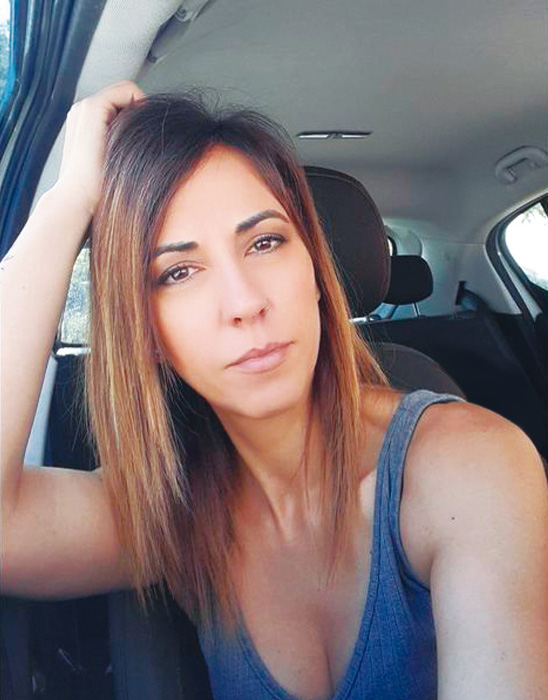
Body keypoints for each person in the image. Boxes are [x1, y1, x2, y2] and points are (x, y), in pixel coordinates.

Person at [1, 80, 547, 700]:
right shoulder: (176, 513)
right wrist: (65, 202)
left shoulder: (468, 468)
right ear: (144, 332)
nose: (244, 302)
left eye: (264, 242)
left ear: (314, 269)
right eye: (178, 272)